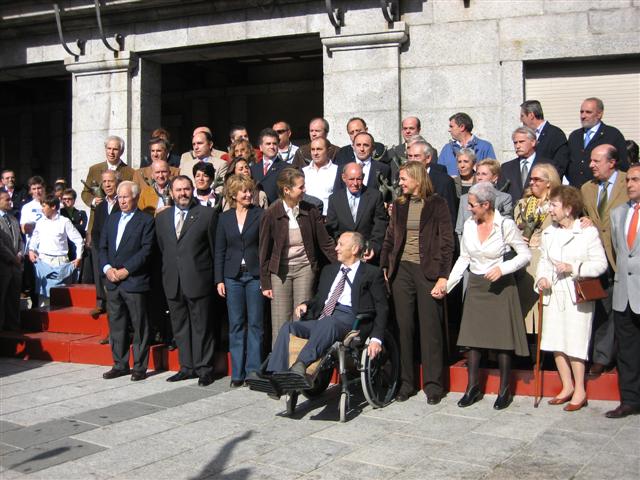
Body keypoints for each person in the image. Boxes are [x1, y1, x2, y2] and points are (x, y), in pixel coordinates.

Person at [439, 182, 531, 410]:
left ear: (486, 204)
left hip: (500, 286)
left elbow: (525, 255)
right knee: (473, 340)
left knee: (502, 341)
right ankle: (472, 388)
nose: (469, 209)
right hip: (478, 287)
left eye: (472, 205)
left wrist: (503, 268)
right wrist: (447, 285)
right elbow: (464, 258)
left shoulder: (505, 225)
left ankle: (504, 389)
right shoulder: (470, 226)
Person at [263, 232, 388, 381]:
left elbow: (382, 307)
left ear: (354, 249)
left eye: (341, 245)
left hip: (351, 320)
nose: (336, 248)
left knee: (329, 322)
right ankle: (276, 375)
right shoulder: (330, 270)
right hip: (325, 319)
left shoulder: (371, 273)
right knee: (288, 327)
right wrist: (306, 305)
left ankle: (301, 365)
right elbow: (319, 299)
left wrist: (377, 338)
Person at [380, 162, 454, 404]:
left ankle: (433, 385)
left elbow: (446, 242)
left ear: (417, 178)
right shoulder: (399, 206)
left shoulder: (437, 204)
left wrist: (444, 276)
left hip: (427, 271)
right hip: (401, 271)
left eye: (403, 179)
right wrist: (385, 265)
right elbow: (390, 237)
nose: (400, 183)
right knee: (404, 327)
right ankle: (405, 382)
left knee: (430, 329)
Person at [534, 185, 607, 411]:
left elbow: (600, 264)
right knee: (555, 342)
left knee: (576, 342)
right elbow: (544, 261)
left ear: (568, 208)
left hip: (577, 294)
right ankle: (566, 386)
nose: (550, 209)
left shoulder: (587, 231)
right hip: (554, 293)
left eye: (554, 205)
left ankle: (580, 391)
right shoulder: (549, 232)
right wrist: (542, 278)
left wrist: (572, 267)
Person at [259, 168, 337, 343]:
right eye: (300, 187)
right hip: (280, 271)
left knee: (301, 317)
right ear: (287, 190)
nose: (305, 190)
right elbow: (264, 249)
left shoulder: (311, 210)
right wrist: (265, 282)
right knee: (280, 320)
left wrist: (344, 264)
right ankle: (279, 366)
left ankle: (299, 364)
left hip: (305, 268)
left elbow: (325, 242)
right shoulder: (271, 213)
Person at [155, 175, 218, 386]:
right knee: (180, 326)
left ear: (192, 190)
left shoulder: (207, 215)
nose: (182, 193)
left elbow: (214, 249)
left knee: (202, 327)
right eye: (178, 190)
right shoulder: (162, 218)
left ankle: (204, 369)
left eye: (186, 189)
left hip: (198, 279)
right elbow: (163, 249)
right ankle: (187, 367)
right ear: (171, 193)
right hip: (173, 281)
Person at [580, 144, 629, 377]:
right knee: (602, 309)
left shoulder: (629, 183)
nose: (591, 165)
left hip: (623, 258)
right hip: (598, 258)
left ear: (612, 162)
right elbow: (583, 215)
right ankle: (601, 357)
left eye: (596, 161)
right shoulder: (587, 188)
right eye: (590, 161)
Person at [99, 181, 155, 381]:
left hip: (134, 281)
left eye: (125, 197)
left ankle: (139, 366)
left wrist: (126, 270)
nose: (122, 201)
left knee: (139, 325)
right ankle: (120, 364)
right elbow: (102, 246)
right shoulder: (112, 219)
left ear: (135, 197)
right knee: (116, 324)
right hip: (113, 281)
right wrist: (107, 269)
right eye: (119, 197)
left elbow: (146, 251)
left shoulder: (146, 221)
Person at [215, 175, 265, 388]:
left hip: (254, 275)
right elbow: (220, 250)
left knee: (255, 323)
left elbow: (265, 247)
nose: (247, 194)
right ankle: (237, 372)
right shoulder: (224, 218)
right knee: (236, 324)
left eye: (249, 191)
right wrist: (219, 279)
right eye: (243, 191)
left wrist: (265, 277)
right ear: (233, 194)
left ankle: (253, 371)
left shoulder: (260, 214)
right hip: (232, 276)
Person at [607, 164, 640, 418]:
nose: (629, 184)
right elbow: (620, 252)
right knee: (627, 350)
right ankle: (629, 399)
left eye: (636, 180)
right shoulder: (618, 213)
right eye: (628, 180)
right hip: (624, 294)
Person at [513, 163, 561, 333]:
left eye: (537, 179)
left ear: (549, 182)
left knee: (544, 309)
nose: (532, 183)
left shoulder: (558, 205)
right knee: (525, 305)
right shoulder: (523, 204)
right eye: (531, 179)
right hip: (525, 259)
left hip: (547, 260)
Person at [326, 162, 388, 263]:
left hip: (367, 254)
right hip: (344, 254)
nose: (355, 183)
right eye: (351, 179)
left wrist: (373, 247)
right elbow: (332, 227)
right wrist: (342, 246)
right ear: (343, 178)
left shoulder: (375, 196)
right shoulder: (335, 199)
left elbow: (380, 225)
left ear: (363, 177)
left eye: (359, 179)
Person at [566, 97, 628, 187]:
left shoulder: (612, 135)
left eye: (588, 112)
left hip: (601, 190)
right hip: (576, 191)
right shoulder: (574, 136)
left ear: (599, 114)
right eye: (581, 112)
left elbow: (622, 166)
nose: (583, 116)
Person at [81, 136, 135, 228]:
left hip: (119, 222)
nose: (111, 152)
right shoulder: (94, 169)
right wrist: (93, 201)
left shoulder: (130, 172)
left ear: (121, 151)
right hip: (96, 223)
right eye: (109, 148)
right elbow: (85, 192)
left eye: (115, 149)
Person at [87, 170, 120, 319]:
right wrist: (98, 247)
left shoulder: (123, 203)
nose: (107, 185)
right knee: (100, 276)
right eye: (104, 182)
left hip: (117, 250)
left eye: (110, 181)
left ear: (117, 183)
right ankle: (101, 303)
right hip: (101, 248)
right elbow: (96, 230)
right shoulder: (100, 206)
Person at [455, 159, 513, 240]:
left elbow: (506, 226)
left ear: (494, 178)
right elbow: (459, 229)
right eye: (478, 174)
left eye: (484, 174)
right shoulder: (464, 198)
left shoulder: (504, 198)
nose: (479, 177)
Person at [406, 138, 458, 225]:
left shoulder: (444, 182)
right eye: (410, 156)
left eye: (417, 156)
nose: (412, 160)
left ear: (428, 158)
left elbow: (449, 217)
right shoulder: (404, 179)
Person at [501, 126, 555, 205]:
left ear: (533, 142)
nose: (517, 146)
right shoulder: (506, 167)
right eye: (515, 143)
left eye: (521, 142)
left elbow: (553, 190)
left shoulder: (547, 165)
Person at [438, 112, 496, 177]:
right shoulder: (447, 149)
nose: (449, 130)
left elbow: (493, 171)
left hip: (477, 186)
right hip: (452, 187)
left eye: (451, 126)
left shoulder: (485, 147)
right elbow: (439, 174)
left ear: (462, 127)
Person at [520, 100, 569, 170]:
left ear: (531, 115)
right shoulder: (527, 135)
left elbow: (560, 164)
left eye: (522, 116)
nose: (521, 120)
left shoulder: (556, 134)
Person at [0, 190, 23, 331]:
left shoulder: (13, 218)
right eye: (7, 199)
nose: (10, 202)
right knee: (2, 298)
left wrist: (20, 254)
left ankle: (13, 326)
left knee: (14, 298)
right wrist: (12, 258)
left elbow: (20, 240)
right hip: (4, 265)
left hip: (15, 266)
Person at [250, 128, 291, 204]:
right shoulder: (252, 169)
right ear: (261, 147)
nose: (272, 146)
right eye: (268, 144)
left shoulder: (287, 168)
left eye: (274, 144)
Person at [302, 137, 338, 216]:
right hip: (307, 217)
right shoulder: (303, 172)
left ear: (328, 151)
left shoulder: (337, 171)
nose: (315, 153)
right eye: (313, 149)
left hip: (327, 218)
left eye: (319, 149)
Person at [59, 188, 88, 264]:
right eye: (64, 199)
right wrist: (77, 225)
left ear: (74, 200)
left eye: (69, 199)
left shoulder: (81, 213)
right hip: (64, 247)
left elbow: (82, 228)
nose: (66, 201)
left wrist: (68, 227)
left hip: (77, 247)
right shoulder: (59, 214)